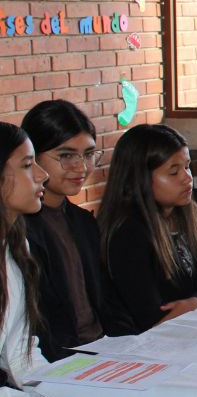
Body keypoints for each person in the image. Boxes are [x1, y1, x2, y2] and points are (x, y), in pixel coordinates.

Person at [22, 100, 135, 362]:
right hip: (57, 360)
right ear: (31, 157)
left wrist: (131, 346)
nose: (81, 167)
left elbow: (108, 301)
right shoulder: (20, 230)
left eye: (88, 154)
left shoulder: (83, 222)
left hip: (103, 349)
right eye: (66, 155)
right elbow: (38, 323)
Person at [98, 124, 197, 334]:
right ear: (139, 179)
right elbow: (152, 318)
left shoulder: (193, 217)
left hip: (192, 330)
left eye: (187, 166)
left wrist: (194, 304)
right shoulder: (128, 233)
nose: (187, 178)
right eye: (173, 172)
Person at [0, 122, 52, 397]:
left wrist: (65, 394)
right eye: (27, 164)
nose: (42, 174)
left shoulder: (16, 245)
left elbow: (21, 356)